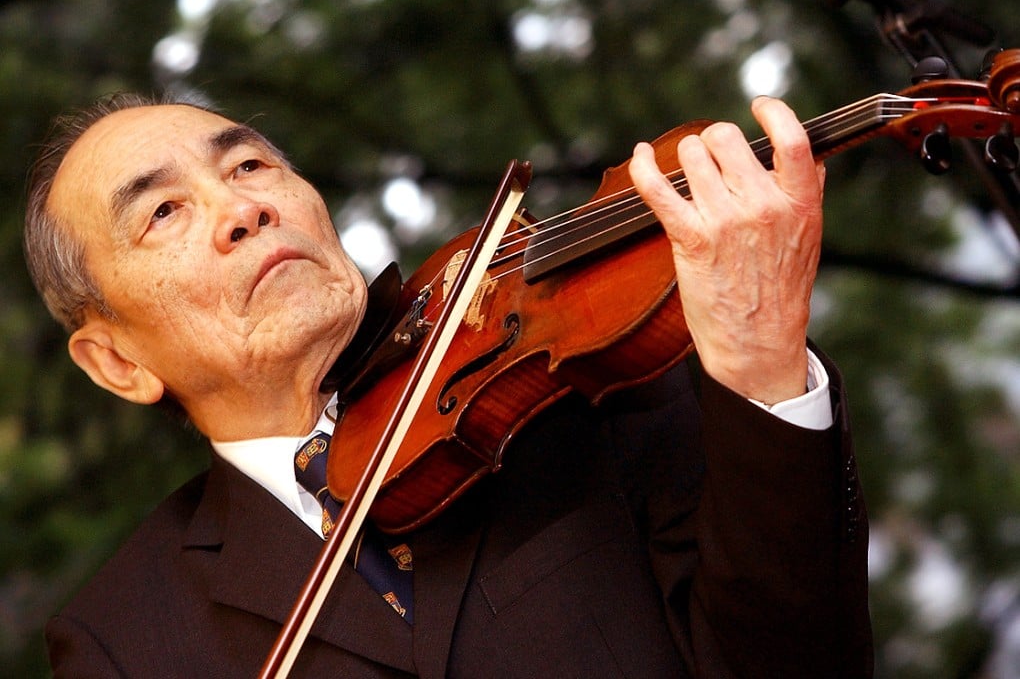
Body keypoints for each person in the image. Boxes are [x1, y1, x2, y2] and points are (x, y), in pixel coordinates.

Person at [25, 91, 872, 677]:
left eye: (248, 166)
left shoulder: (580, 389)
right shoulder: (123, 640)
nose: (242, 208)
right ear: (118, 364)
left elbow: (803, 664)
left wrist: (761, 361)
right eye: (162, 212)